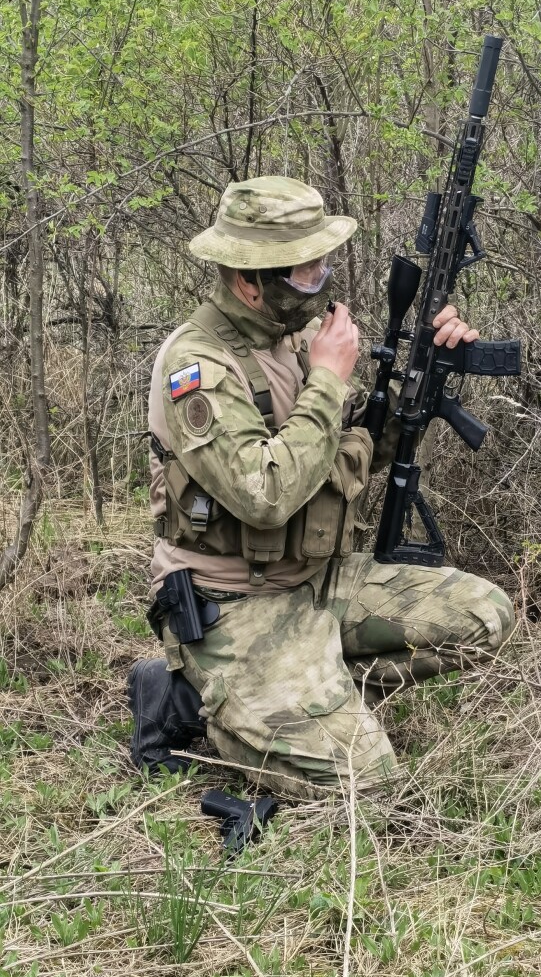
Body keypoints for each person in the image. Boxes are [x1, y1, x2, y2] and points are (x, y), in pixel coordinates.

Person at [128, 177, 514, 798]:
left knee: (484, 616)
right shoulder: (197, 366)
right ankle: (200, 703)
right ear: (250, 280)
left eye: (322, 264)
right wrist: (330, 380)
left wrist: (425, 372)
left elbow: (346, 451)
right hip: (234, 603)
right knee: (368, 782)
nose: (321, 282)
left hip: (318, 580)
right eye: (306, 271)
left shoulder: (294, 341)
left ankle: (313, 683)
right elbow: (265, 495)